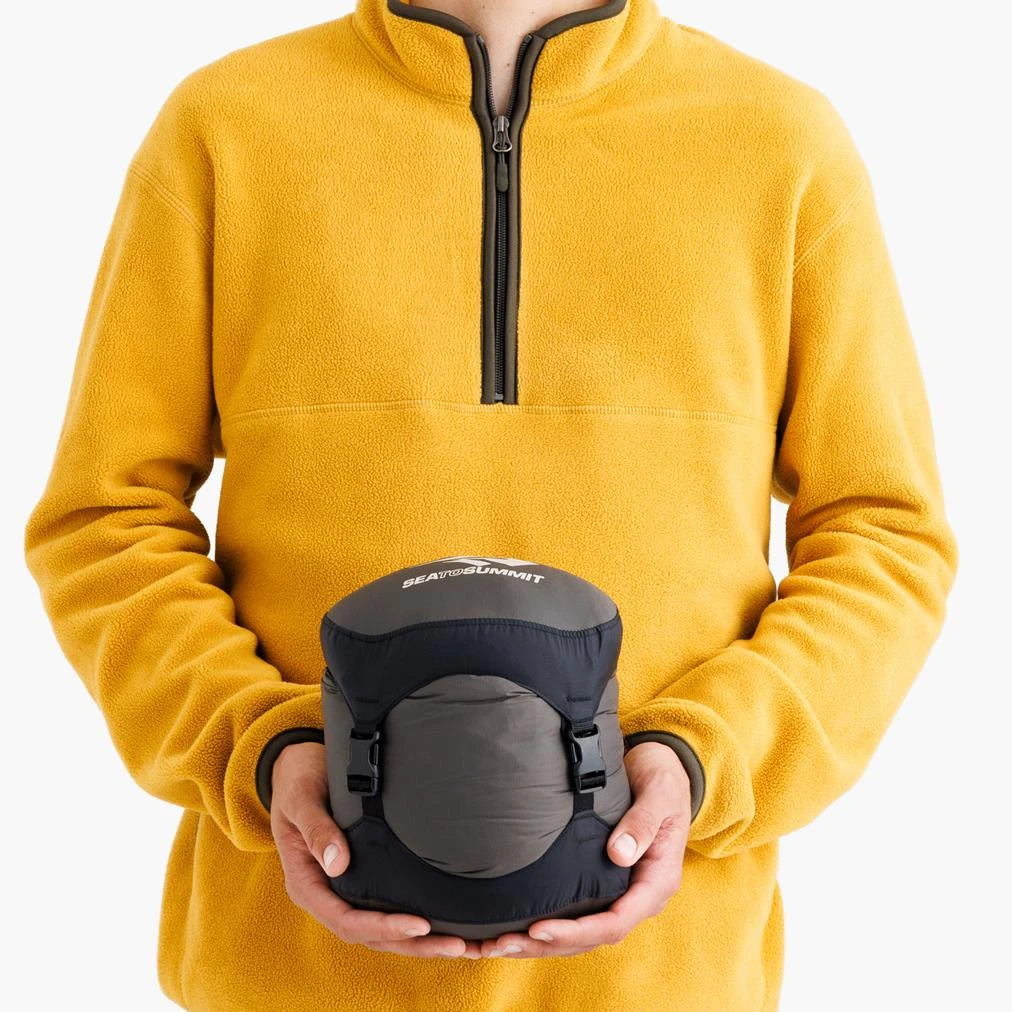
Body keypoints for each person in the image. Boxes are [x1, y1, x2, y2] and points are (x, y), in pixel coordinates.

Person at [22, 0, 958, 1008]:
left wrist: (707, 755)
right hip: (287, 975)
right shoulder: (226, 126)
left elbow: (883, 537)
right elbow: (104, 520)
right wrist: (259, 743)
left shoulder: (779, 142)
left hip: (664, 981)